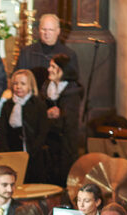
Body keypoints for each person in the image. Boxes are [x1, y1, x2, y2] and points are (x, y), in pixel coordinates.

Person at [0, 69, 49, 184]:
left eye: (23, 84)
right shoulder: (7, 105)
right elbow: (2, 130)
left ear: (30, 86)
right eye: (15, 83)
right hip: (12, 151)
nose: (18, 87)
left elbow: (43, 130)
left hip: (33, 152)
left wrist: (33, 150)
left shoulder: (38, 104)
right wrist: (7, 150)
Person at [41, 53, 83, 186]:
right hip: (48, 142)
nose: (49, 69)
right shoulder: (46, 86)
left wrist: (58, 115)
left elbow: (67, 121)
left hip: (65, 144)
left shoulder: (72, 91)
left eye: (53, 67)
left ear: (64, 70)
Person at [15, 14, 79, 90]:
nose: (47, 33)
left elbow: (73, 84)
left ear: (58, 31)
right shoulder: (27, 52)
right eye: (44, 29)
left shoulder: (68, 54)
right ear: (39, 30)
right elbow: (17, 78)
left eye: (50, 30)